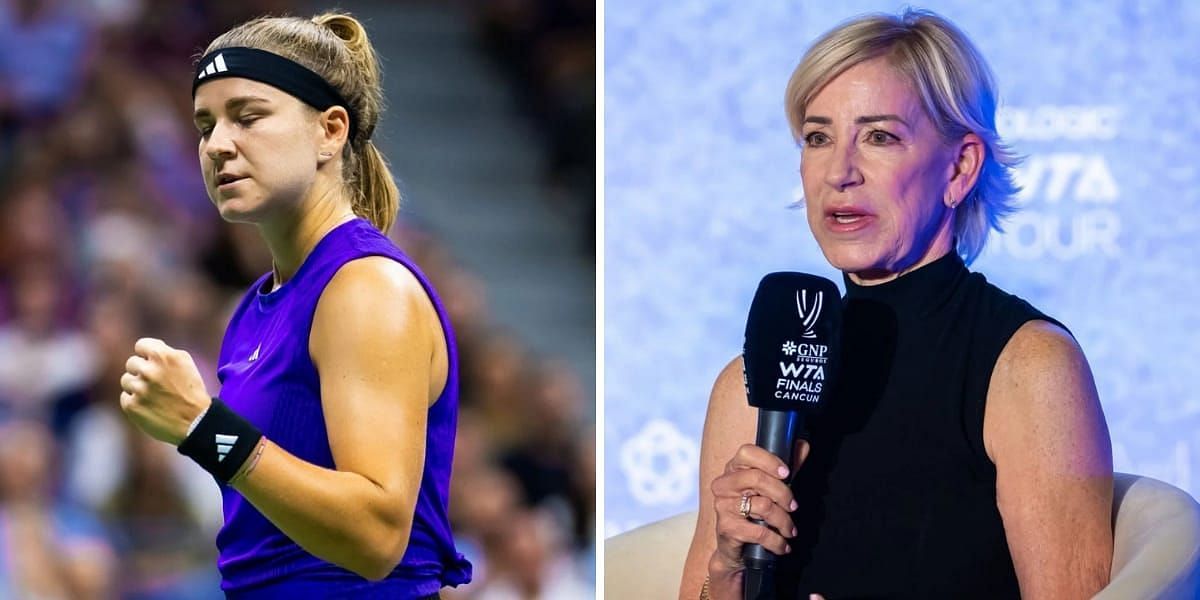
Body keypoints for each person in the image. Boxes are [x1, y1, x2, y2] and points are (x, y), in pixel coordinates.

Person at [680, 9, 1113, 600]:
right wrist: (728, 571)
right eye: (818, 137)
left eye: (879, 137)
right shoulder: (748, 386)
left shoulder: (1028, 367)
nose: (839, 172)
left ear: (959, 168)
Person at [118, 11, 472, 598]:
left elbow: (376, 537)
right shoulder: (257, 305)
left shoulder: (365, 288)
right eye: (205, 125)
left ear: (330, 131)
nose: (218, 145)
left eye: (248, 117)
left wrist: (204, 427)